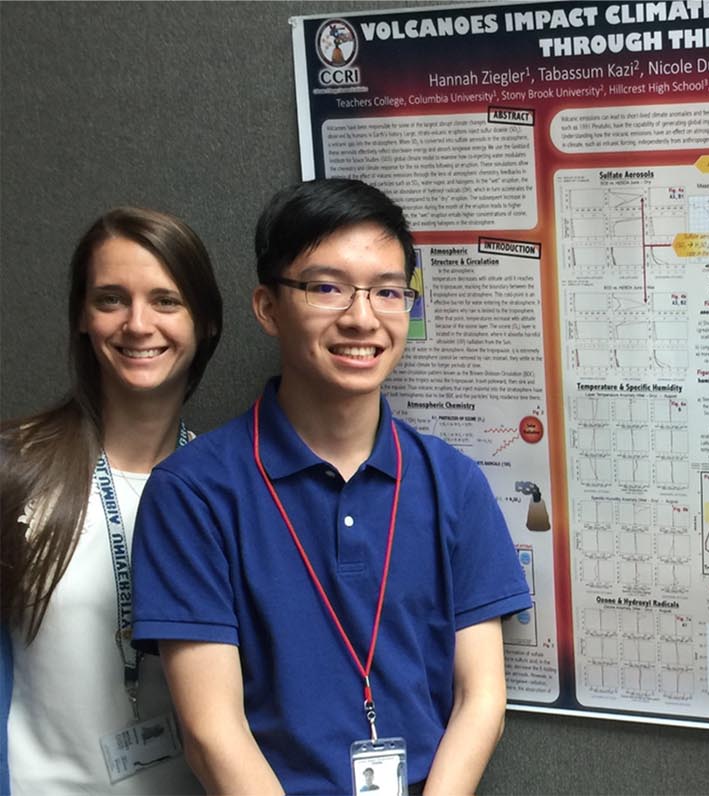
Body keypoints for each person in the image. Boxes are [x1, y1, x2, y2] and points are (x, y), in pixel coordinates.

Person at [129, 179, 531, 795]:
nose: (362, 317)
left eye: (388, 291)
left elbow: (481, 698)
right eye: (327, 287)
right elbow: (212, 731)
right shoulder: (193, 494)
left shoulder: (455, 484)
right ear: (268, 307)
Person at [0, 208, 223, 793]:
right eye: (110, 299)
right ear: (81, 316)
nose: (138, 324)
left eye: (166, 301)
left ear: (205, 322)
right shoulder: (14, 469)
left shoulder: (226, 491)